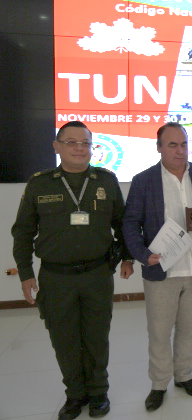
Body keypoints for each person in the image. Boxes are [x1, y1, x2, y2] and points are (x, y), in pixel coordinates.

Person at [11, 121, 129, 420]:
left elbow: (123, 224)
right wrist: (25, 273)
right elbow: (23, 231)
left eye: (85, 143)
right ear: (57, 146)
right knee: (64, 339)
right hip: (55, 277)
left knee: (96, 337)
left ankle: (98, 392)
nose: (79, 148)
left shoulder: (106, 180)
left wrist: (127, 257)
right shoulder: (40, 183)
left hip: (97, 274)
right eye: (71, 142)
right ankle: (75, 395)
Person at [122, 122, 192, 411]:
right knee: (159, 332)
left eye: (184, 144)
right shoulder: (143, 180)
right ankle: (159, 383)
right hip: (161, 269)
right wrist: (143, 255)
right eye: (172, 145)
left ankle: (184, 376)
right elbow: (130, 223)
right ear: (159, 148)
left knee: (189, 329)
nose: (180, 151)